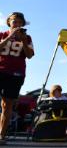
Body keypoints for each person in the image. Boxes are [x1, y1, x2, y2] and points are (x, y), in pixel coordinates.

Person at [0, 12, 34, 145]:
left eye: (20, 22)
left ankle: (2, 135)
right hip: (1, 70)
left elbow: (30, 55)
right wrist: (10, 37)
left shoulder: (28, 37)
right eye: (15, 21)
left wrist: (24, 41)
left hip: (16, 73)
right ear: (9, 22)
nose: (17, 24)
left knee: (7, 105)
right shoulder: (2, 34)